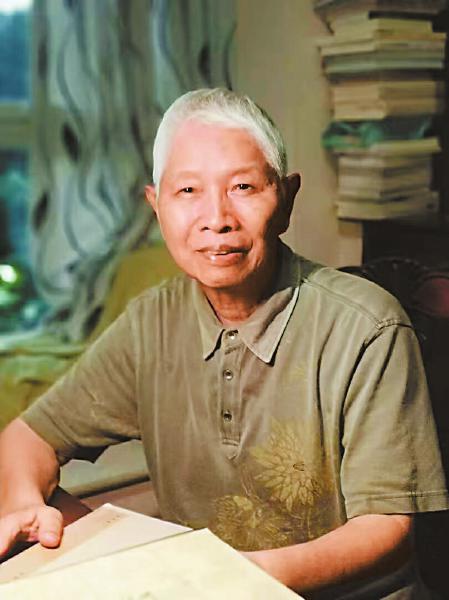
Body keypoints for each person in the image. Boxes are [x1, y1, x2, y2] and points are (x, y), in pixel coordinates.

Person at [0, 88, 448, 598]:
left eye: (243, 187)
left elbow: (388, 528)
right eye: (188, 190)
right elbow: (27, 437)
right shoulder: (150, 322)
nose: (217, 218)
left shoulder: (368, 327)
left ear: (286, 199)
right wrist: (24, 503)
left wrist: (233, 578)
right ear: (157, 206)